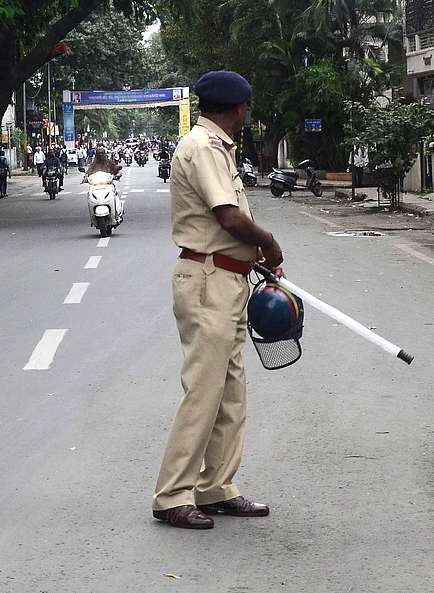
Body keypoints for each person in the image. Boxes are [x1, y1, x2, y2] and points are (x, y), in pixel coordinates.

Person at [152, 70, 283, 530]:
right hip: (207, 280)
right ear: (236, 107)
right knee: (204, 391)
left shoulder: (217, 147)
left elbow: (226, 225)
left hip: (228, 279)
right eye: (245, 108)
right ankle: (172, 495)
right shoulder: (204, 146)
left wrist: (255, 259)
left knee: (230, 393)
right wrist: (268, 241)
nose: (246, 115)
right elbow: (227, 216)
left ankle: (215, 487)